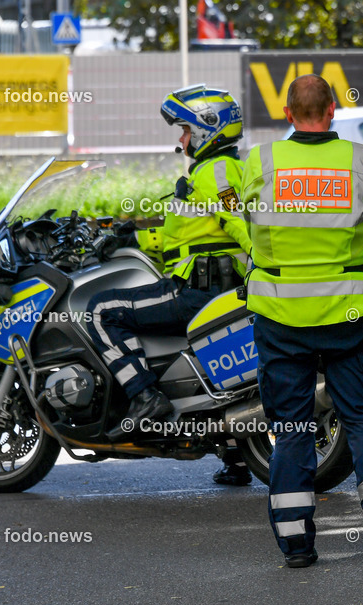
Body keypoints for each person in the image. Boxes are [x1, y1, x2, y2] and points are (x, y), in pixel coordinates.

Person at [241, 74, 363, 568]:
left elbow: (247, 218)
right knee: (362, 422)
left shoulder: (262, 162)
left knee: (292, 427)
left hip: (280, 315)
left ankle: (297, 545)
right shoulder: (362, 160)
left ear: (288, 115)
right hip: (347, 314)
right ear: (332, 110)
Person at [86, 86, 254, 489]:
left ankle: (146, 397)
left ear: (205, 128)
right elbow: (188, 237)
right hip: (210, 282)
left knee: (100, 310)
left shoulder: (215, 172)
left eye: (183, 129)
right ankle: (237, 455)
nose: (180, 139)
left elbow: (238, 221)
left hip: (199, 290)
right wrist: (132, 239)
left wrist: (264, 263)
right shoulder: (213, 172)